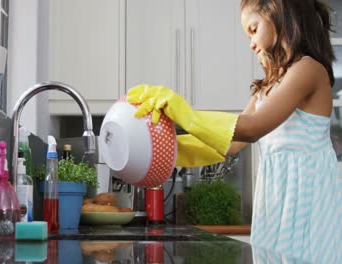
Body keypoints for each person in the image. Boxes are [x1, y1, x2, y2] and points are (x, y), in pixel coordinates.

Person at [126, 0, 340, 263]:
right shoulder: (270, 86)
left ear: (278, 13)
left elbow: (252, 128)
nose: (250, 43)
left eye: (253, 29)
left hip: (308, 200)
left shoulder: (309, 69)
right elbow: (231, 144)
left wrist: (184, 113)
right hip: (275, 201)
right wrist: (160, 147)